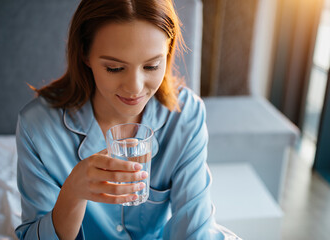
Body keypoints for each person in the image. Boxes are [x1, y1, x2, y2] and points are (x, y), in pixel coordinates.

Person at [15, 0, 240, 239]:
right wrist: (72, 193)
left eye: (152, 66)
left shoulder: (185, 114)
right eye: (114, 68)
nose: (135, 88)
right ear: (84, 53)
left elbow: (196, 228)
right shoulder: (37, 127)